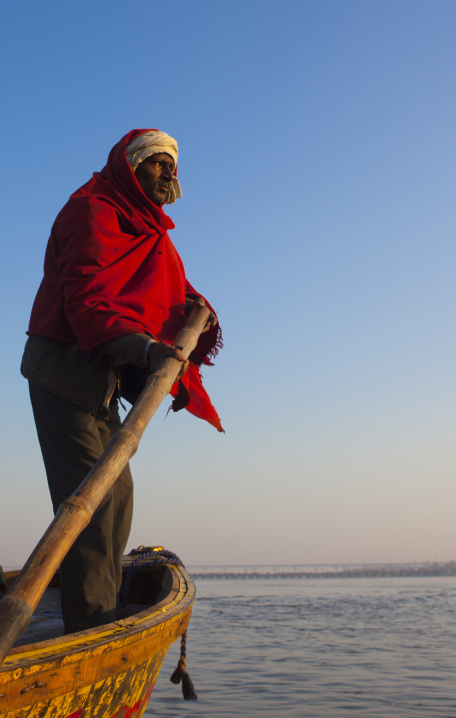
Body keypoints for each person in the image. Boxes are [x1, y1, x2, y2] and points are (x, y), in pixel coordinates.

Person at [21, 129, 223, 634]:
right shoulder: (91, 211)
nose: (168, 174)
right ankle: (89, 631)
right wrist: (150, 350)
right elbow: (88, 303)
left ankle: (100, 616)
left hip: (102, 378)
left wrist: (196, 310)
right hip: (64, 372)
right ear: (129, 167)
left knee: (119, 497)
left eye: (172, 166)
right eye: (157, 164)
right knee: (90, 509)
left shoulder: (147, 228)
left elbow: (163, 285)